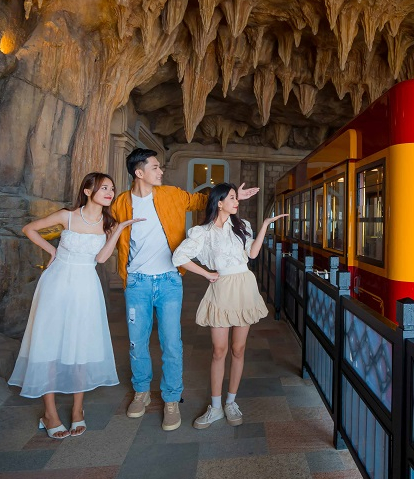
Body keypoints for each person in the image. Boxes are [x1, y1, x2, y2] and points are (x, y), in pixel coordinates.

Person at [110, 148, 258, 430]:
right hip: (137, 281)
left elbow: (205, 200)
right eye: (155, 167)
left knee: (172, 343)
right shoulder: (120, 204)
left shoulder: (172, 195)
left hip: (168, 280)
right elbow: (108, 228)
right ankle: (141, 392)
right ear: (139, 172)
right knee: (136, 342)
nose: (160, 171)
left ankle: (171, 399)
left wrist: (234, 197)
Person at [9, 173, 141, 439]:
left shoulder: (107, 223)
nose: (109, 192)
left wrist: (118, 230)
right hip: (56, 283)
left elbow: (102, 258)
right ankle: (50, 414)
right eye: (104, 188)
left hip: (86, 287)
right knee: (48, 342)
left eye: (112, 189)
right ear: (88, 189)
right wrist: (52, 250)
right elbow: (29, 229)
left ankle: (77, 410)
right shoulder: (66, 216)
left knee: (81, 342)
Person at [172, 183, 286, 429]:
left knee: (238, 348)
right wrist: (206, 274)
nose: (237, 202)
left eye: (237, 198)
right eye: (232, 198)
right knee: (219, 350)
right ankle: (215, 407)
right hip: (222, 288)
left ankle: (231, 402)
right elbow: (179, 256)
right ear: (219, 202)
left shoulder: (242, 226)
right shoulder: (203, 232)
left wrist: (265, 225)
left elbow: (253, 255)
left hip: (244, 285)